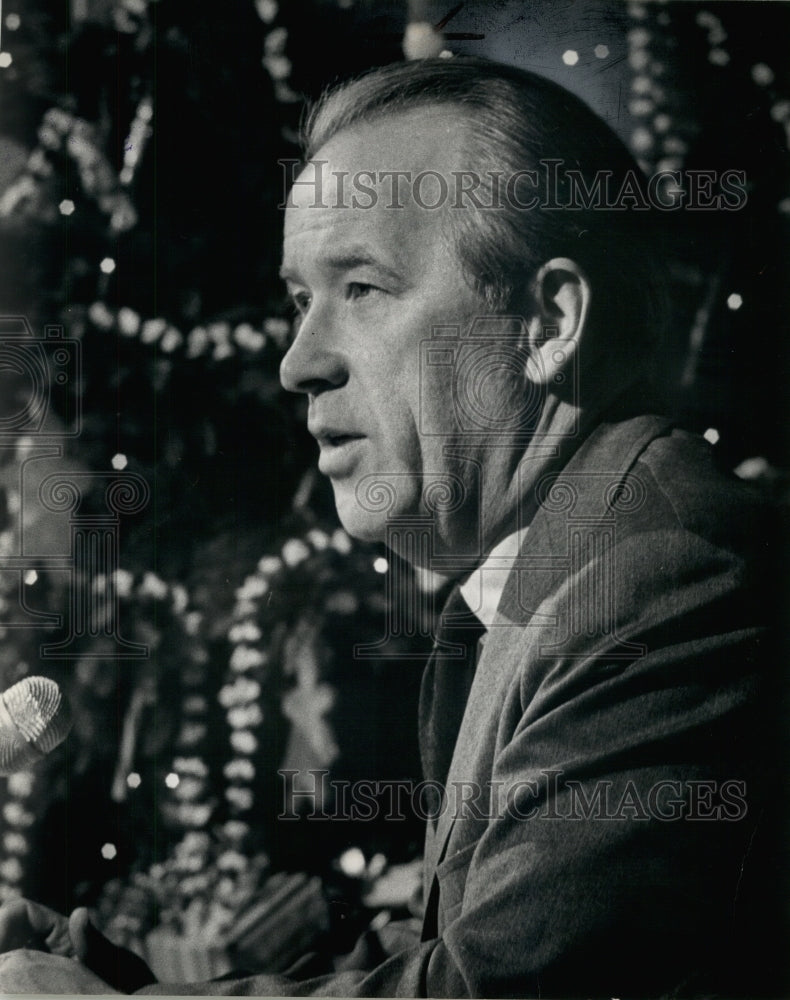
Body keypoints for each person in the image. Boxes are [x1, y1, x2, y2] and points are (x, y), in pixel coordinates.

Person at [0, 56, 784, 998]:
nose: (297, 362)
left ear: (548, 323)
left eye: (362, 289)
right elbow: (444, 966)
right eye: (300, 300)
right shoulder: (553, 558)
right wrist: (85, 970)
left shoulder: (667, 573)